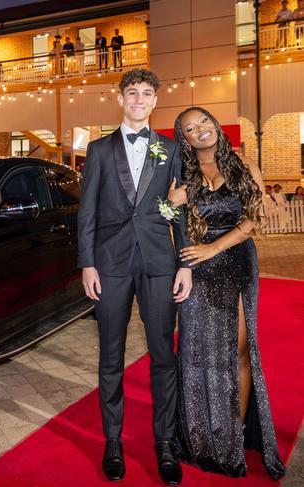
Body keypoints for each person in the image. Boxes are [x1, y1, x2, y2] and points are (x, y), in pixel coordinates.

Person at [77, 68, 191, 485]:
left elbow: (179, 207)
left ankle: (165, 444)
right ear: (120, 98)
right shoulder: (99, 149)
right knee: (111, 356)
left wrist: (185, 264)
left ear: (155, 100)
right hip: (109, 264)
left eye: (146, 93)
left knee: (163, 355)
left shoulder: (171, 149)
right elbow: (86, 210)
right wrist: (87, 263)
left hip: (160, 263)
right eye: (132, 93)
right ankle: (112, 441)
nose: (139, 99)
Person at [170, 107, 286, 480]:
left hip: (235, 263)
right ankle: (200, 435)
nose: (200, 129)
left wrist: (213, 249)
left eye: (204, 122)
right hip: (195, 270)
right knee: (196, 351)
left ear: (215, 125)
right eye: (190, 128)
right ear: (184, 139)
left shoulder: (244, 163)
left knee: (238, 349)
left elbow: (255, 218)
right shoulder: (182, 176)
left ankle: (232, 434)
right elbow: (165, 219)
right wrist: (172, 206)